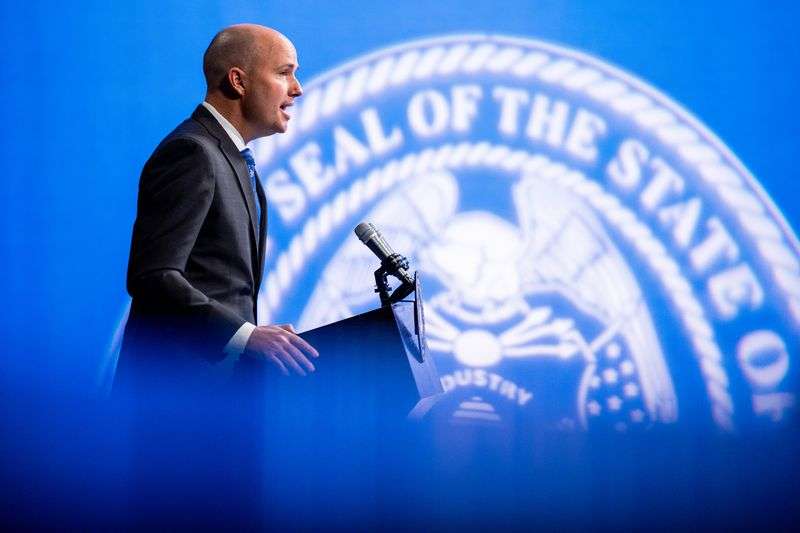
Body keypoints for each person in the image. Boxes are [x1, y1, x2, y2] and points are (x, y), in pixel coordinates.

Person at [116, 24, 318, 393]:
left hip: (218, 398)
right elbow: (153, 276)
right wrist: (245, 336)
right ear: (238, 81)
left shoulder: (236, 161)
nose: (297, 89)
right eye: (284, 72)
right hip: (172, 398)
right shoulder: (192, 153)